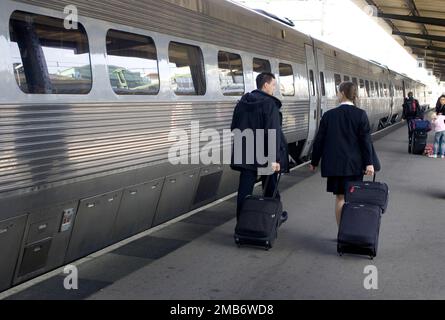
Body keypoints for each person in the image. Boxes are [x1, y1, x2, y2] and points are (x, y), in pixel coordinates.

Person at [309, 82, 375, 227]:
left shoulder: (329, 115)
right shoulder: (360, 114)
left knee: (340, 198)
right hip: (355, 164)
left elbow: (319, 141)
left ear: (342, 93)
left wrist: (314, 161)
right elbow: (366, 141)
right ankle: (352, 232)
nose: (337, 95)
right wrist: (369, 163)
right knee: (352, 196)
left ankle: (342, 232)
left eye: (338, 92)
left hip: (335, 165)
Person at [231, 72, 289, 223]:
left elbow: (234, 127)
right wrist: (274, 158)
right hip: (265, 154)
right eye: (273, 85)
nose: (274, 88)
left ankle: (241, 221)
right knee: (270, 186)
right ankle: (274, 217)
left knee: (244, 189)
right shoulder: (270, 104)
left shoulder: (242, 102)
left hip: (246, 152)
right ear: (266, 85)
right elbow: (273, 133)